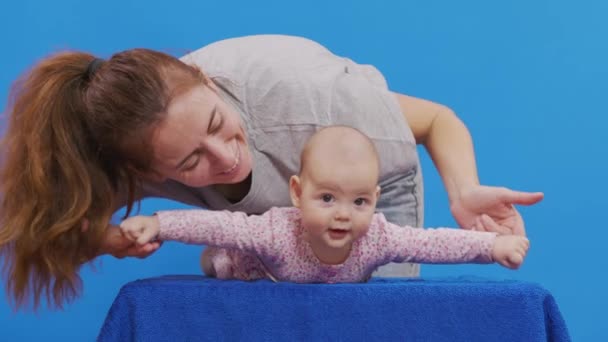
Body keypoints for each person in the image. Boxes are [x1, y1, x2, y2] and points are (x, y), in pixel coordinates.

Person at [0, 34, 543, 307]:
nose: (225, 157)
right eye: (191, 161)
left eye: (217, 123)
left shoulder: (313, 98)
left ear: (206, 80)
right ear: (141, 171)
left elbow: (436, 120)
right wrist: (110, 238)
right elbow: (47, 238)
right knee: (255, 279)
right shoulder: (129, 156)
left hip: (356, 188)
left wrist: (464, 191)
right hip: (263, 230)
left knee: (369, 314)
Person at [120, 126, 530, 283]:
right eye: (327, 198)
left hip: (329, 292)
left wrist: (492, 248)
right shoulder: (278, 229)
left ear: (376, 201)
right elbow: (220, 225)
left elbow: (432, 244)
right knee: (226, 256)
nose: (342, 213)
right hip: (257, 272)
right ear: (297, 194)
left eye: (359, 201)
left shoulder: (377, 237)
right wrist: (160, 224)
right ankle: (222, 265)